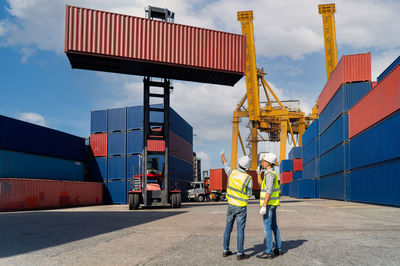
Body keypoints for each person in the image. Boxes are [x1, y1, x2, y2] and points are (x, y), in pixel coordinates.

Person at [221, 152, 253, 260]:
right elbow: (249, 194)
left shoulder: (232, 172)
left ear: (239, 164)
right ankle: (240, 253)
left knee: (228, 228)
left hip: (230, 205)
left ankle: (225, 250)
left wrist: (222, 156)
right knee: (240, 230)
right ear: (247, 167)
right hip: (241, 207)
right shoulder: (248, 178)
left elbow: (225, 164)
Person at [256, 152, 283, 259]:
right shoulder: (268, 174)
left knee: (267, 228)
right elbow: (260, 184)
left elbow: (269, 191)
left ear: (269, 163)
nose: (262, 163)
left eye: (263, 161)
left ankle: (268, 252)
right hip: (272, 204)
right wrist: (258, 174)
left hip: (269, 205)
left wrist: (264, 205)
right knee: (273, 226)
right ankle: (279, 249)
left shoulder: (270, 175)